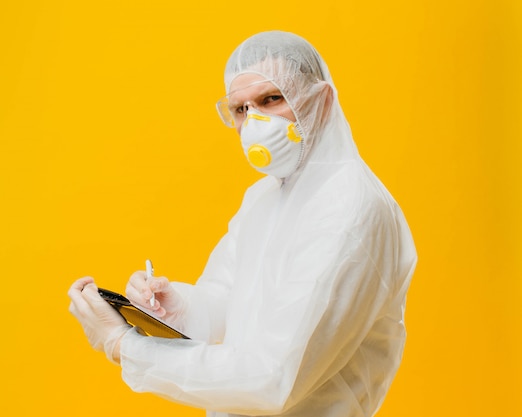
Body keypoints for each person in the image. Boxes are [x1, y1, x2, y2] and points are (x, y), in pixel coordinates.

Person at [68, 30, 417, 417]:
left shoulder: (350, 206)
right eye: (240, 109)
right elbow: (224, 302)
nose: (254, 122)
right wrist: (174, 307)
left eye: (271, 99)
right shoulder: (264, 198)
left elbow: (271, 378)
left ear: (321, 100)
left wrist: (125, 346)